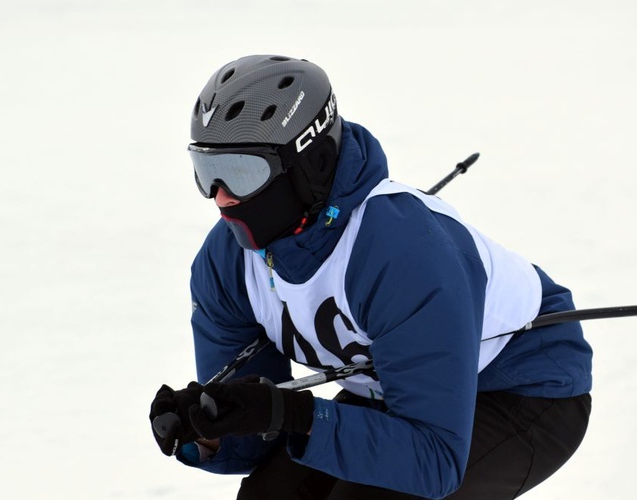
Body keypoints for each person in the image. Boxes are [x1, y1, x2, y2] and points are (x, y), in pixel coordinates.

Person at [149, 54, 593, 499]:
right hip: (394, 391)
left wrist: (294, 413)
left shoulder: (399, 255)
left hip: (522, 386)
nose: (220, 198)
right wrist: (209, 427)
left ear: (312, 165)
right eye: (207, 172)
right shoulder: (225, 265)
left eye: (242, 173)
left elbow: (433, 460)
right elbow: (255, 442)